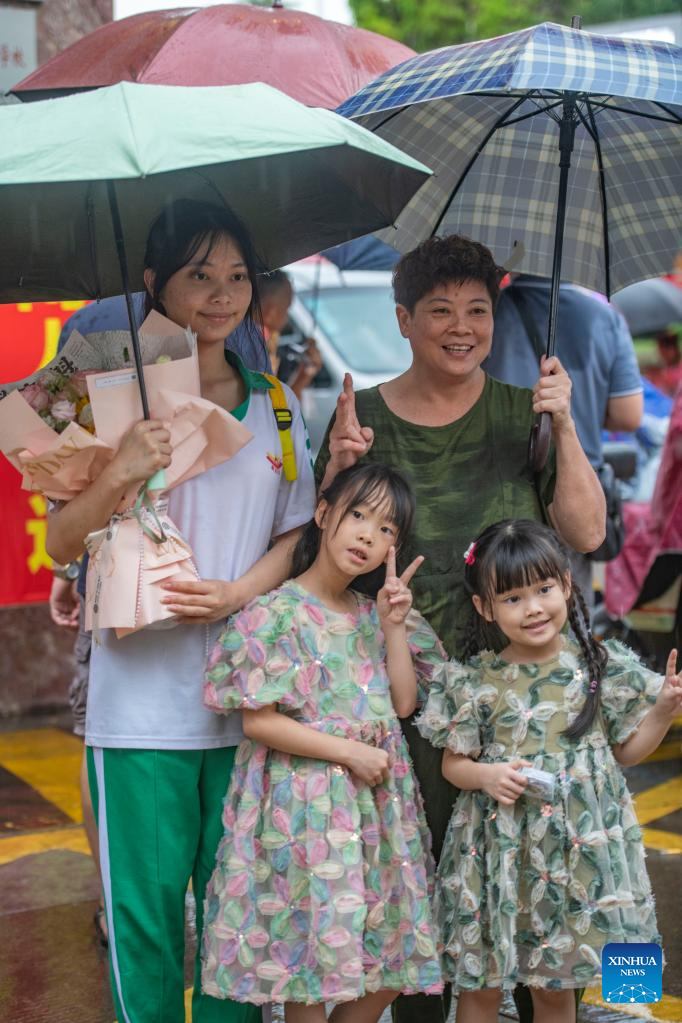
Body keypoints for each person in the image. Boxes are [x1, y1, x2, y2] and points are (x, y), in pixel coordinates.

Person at [315, 234, 606, 1023]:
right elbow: (326, 557)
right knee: (419, 893)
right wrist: (340, 467)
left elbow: (586, 531)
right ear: (403, 319)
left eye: (477, 309)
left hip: (519, 695)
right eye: (440, 310)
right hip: (403, 695)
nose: (461, 327)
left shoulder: (526, 409)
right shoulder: (365, 419)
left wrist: (565, 425)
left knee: (538, 887)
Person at [46, 198, 316, 1023]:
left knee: (241, 927)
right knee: (146, 926)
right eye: (199, 275)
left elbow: (297, 535)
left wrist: (237, 593)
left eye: (237, 275)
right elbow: (61, 540)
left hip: (250, 708)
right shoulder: (107, 399)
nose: (222, 294)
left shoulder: (276, 405)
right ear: (153, 282)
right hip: (138, 711)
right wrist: (119, 467)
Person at [201, 463, 445, 1021]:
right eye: (357, 515)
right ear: (322, 512)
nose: (367, 535)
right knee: (307, 970)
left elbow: (404, 703)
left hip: (376, 815)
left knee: (393, 955)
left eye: (385, 528)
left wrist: (392, 627)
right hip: (304, 812)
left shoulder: (375, 613)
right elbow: (258, 722)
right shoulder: (275, 612)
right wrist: (349, 752)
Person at [417, 518, 681, 1023]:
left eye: (543, 589)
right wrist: (487, 776)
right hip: (496, 856)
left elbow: (627, 753)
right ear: (485, 607)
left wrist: (664, 711)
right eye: (513, 598)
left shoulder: (600, 665)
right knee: (480, 987)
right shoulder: (476, 680)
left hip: (577, 856)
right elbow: (454, 765)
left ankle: (628, 992)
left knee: (556, 990)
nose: (534, 608)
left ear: (565, 584)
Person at [484, 275, 643, 604]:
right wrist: (581, 405)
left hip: (501, 486)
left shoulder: (487, 313)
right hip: (572, 490)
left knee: (505, 603)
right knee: (569, 604)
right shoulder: (604, 317)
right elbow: (628, 415)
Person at [259, 269, 322, 399]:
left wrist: (303, 376)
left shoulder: (261, 341)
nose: (287, 318)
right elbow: (272, 407)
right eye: (287, 308)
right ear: (271, 312)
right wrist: (302, 379)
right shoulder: (257, 347)